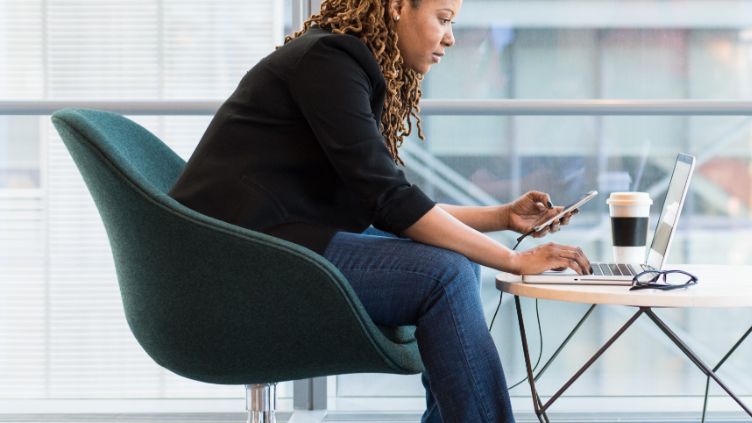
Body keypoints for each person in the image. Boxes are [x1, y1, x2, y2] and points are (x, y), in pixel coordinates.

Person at [169, 0, 591, 420]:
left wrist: (502, 218)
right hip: (232, 258)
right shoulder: (329, 61)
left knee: (453, 265)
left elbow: (388, 202)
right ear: (396, 7)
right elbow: (390, 201)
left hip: (267, 240)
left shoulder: (340, 62)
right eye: (442, 19)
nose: (451, 37)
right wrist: (514, 259)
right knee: (445, 275)